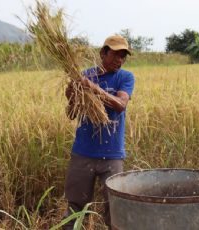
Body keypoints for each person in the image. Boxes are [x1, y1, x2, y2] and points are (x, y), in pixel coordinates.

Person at [62, 35, 135, 230]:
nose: (119, 60)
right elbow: (72, 114)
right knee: (75, 207)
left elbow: (120, 105)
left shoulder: (125, 77)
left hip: (112, 156)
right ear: (103, 53)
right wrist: (72, 95)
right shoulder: (85, 75)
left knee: (115, 209)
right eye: (115, 54)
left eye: (123, 56)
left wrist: (94, 89)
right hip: (83, 153)